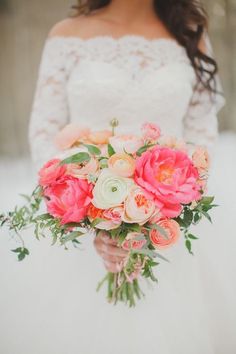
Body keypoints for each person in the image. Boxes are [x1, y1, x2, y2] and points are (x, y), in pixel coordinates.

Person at [27, 1, 236, 353]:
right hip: (82, 224)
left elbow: (202, 135)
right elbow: (44, 132)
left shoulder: (189, 33)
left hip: (172, 218)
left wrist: (164, 206)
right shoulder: (66, 35)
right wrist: (97, 219)